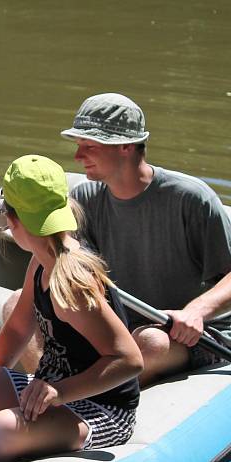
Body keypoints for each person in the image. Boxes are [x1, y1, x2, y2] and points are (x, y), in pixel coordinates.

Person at [0, 155, 143, 462]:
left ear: (13, 220)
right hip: (50, 391)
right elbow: (17, 328)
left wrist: (59, 391)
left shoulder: (72, 282)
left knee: (0, 431)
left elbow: (130, 360)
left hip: (100, 409)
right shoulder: (41, 259)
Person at [60, 92, 231, 386]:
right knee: (17, 305)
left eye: (89, 146)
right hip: (123, 326)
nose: (77, 156)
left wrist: (194, 312)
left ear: (125, 145)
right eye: (78, 146)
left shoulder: (190, 198)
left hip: (190, 335)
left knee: (150, 342)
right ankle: (53, 399)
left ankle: (92, 403)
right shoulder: (83, 198)